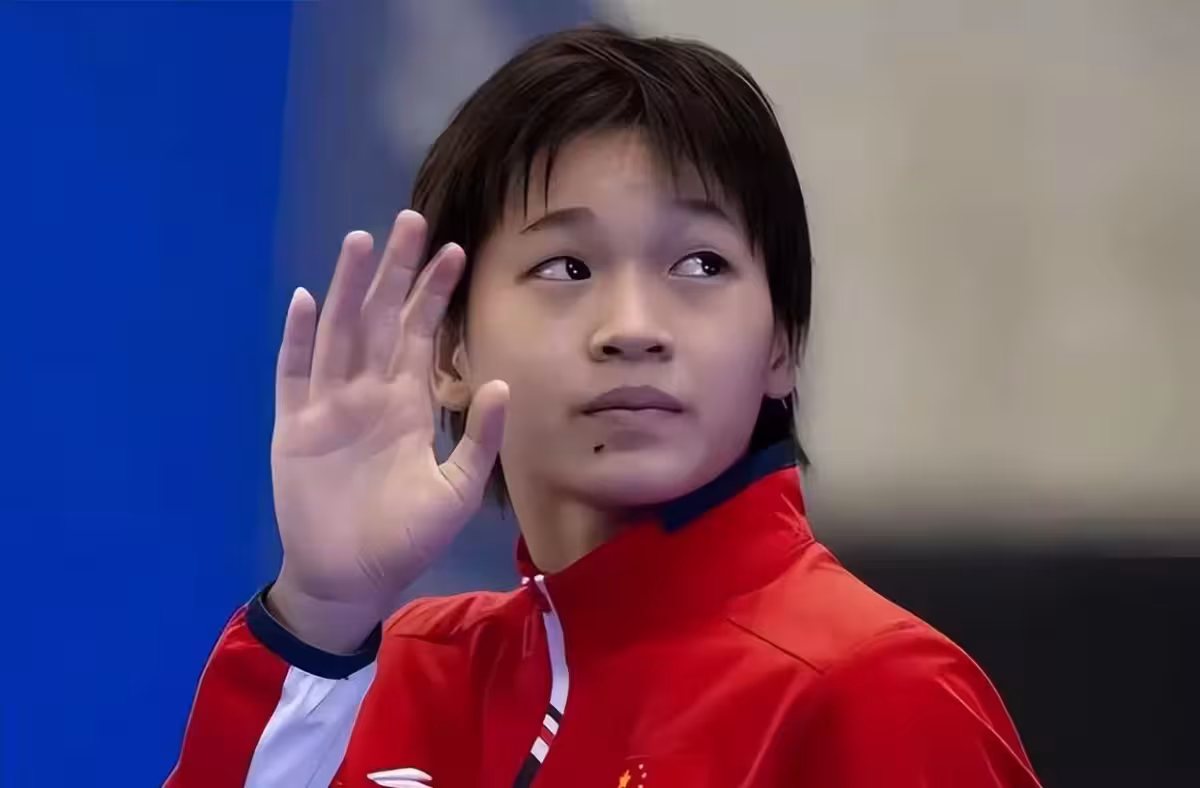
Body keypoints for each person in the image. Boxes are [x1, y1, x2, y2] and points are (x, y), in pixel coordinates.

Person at [167, 26, 1041, 788]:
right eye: (567, 268)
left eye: (700, 265)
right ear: (449, 350)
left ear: (782, 345)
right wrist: (319, 614)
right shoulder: (390, 678)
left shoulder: (876, 691)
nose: (632, 328)